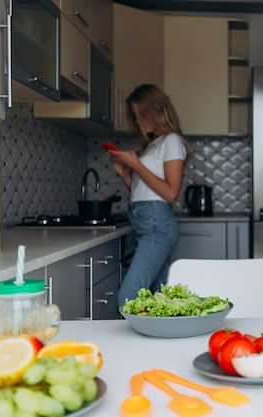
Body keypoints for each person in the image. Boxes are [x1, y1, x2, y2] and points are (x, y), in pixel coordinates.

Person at [107, 84, 190, 307]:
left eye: (141, 114)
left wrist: (136, 164)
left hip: (158, 227)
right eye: (135, 116)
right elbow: (144, 190)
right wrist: (126, 174)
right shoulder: (153, 144)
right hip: (147, 225)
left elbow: (170, 193)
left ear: (156, 110)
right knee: (156, 301)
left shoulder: (171, 141)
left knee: (127, 299)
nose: (139, 121)